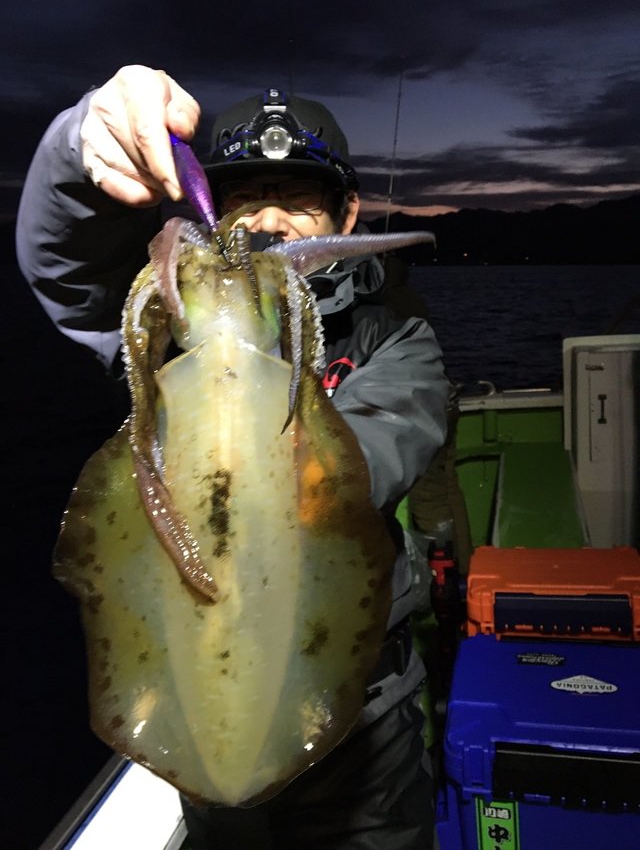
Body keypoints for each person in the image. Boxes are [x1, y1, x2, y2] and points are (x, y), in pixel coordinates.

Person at [16, 65, 449, 849]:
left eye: (302, 200)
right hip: (208, 685)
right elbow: (65, 273)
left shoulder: (395, 339)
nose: (272, 222)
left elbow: (378, 452)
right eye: (246, 197)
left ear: (344, 216)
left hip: (365, 718)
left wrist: (260, 397)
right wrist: (82, 144)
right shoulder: (167, 344)